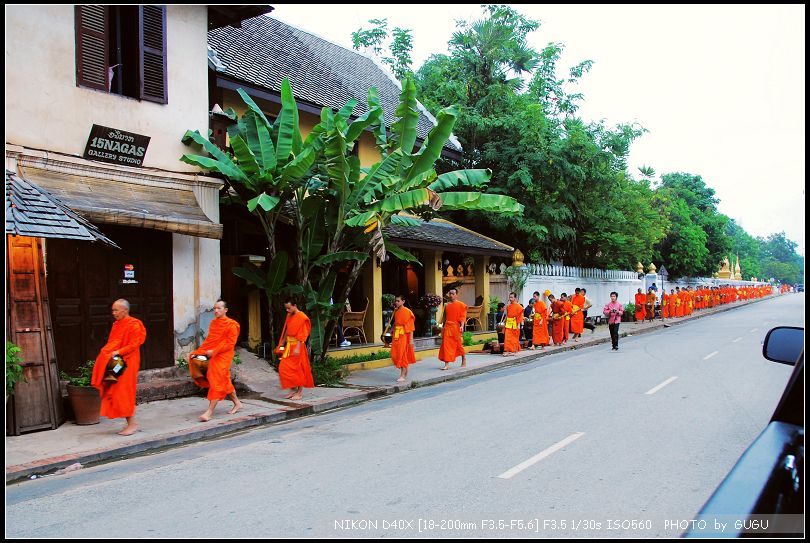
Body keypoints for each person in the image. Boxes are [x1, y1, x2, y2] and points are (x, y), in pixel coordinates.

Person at [90, 299, 147, 436]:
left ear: (125, 310)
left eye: (116, 310)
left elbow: (134, 344)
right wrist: (107, 352)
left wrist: (118, 352)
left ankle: (132, 424)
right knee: (114, 388)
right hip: (117, 362)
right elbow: (113, 342)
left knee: (123, 391)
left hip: (127, 362)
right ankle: (130, 423)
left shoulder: (135, 324)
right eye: (113, 310)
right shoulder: (117, 324)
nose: (113, 313)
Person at [189, 299, 243, 422]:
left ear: (226, 310)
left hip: (223, 356)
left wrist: (214, 351)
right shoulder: (214, 323)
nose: (216, 311)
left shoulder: (232, 325)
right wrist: (201, 351)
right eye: (214, 308)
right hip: (213, 354)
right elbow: (210, 340)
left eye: (219, 308)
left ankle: (209, 412)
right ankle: (237, 403)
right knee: (224, 379)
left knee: (216, 381)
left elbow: (230, 344)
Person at [276, 298, 314, 401]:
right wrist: (282, 344)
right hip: (289, 346)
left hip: (298, 346)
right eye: (286, 308)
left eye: (289, 308)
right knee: (283, 368)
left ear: (294, 305)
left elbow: (303, 334)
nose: (287, 310)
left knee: (298, 370)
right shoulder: (289, 315)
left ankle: (299, 392)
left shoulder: (302, 317)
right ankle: (293, 390)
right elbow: (287, 330)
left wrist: (297, 347)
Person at [438, 288, 468, 370]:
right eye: (450, 293)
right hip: (447, 327)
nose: (451, 295)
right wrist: (441, 327)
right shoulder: (446, 305)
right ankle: (446, 364)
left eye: (453, 294)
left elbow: (462, 317)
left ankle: (463, 358)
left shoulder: (461, 305)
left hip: (455, 327)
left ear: (456, 295)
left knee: (458, 345)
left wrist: (462, 326)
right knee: (446, 345)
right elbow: (444, 317)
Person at [390, 294, 415, 382]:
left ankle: (402, 375)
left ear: (403, 302)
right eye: (395, 301)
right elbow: (396, 323)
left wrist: (411, 340)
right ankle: (405, 369)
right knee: (394, 354)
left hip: (404, 335)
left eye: (398, 301)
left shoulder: (408, 312)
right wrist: (391, 330)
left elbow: (411, 326)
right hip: (396, 335)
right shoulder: (396, 311)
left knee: (402, 354)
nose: (396, 302)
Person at [502, 292, 524, 356]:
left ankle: (512, 350)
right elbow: (507, 315)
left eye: (511, 297)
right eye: (509, 297)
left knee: (514, 338)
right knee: (507, 337)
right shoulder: (508, 306)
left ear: (515, 298)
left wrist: (518, 324)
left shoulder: (518, 306)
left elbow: (520, 316)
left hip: (515, 323)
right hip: (508, 323)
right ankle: (507, 349)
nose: (510, 299)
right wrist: (504, 322)